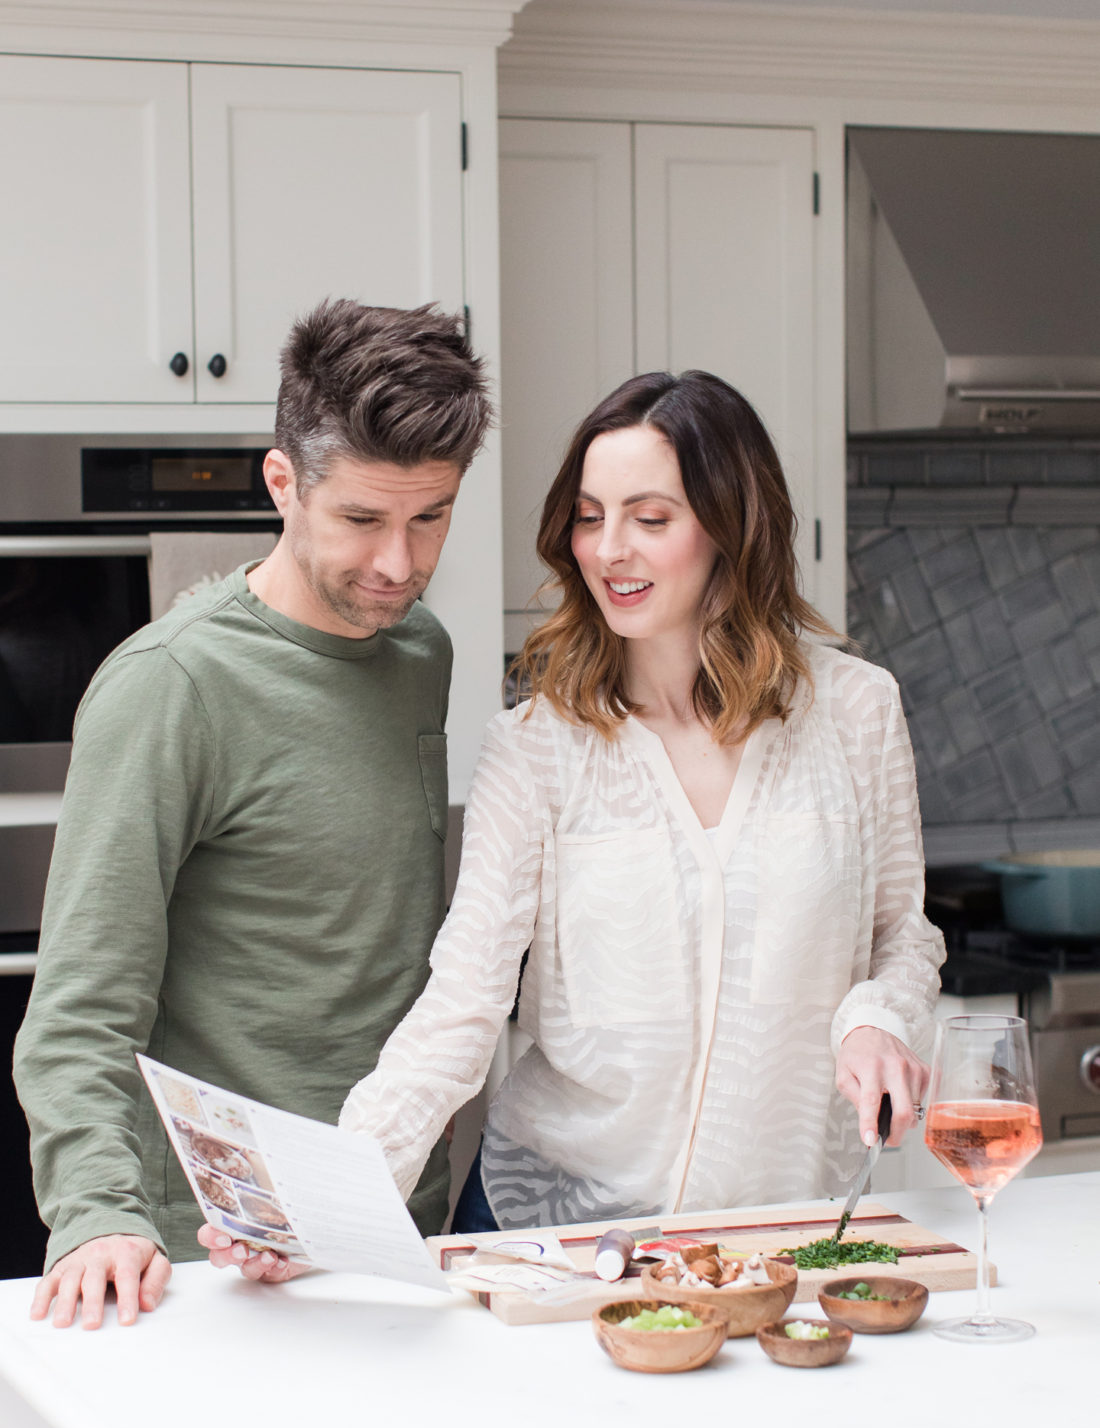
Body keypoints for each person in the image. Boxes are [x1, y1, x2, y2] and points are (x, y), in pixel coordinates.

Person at [208, 367, 944, 1278]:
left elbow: (901, 936)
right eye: (591, 517)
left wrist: (876, 1019)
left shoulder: (857, 712)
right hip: (553, 1235)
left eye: (651, 517)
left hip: (780, 1236)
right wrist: (323, 1204)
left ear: (729, 525)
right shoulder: (538, 746)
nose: (610, 550)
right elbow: (462, 1003)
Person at [15, 297, 492, 1325]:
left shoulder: (419, 653)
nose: (399, 564)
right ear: (282, 483)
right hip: (212, 1256)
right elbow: (78, 1010)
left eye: (431, 516)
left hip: (393, 1224)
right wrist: (97, 1213)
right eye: (362, 519)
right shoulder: (172, 686)